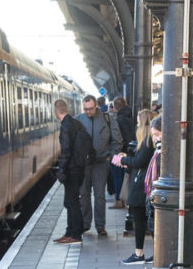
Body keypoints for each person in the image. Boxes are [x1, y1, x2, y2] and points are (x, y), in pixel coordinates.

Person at [113, 116, 160, 264]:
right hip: (143, 183)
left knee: (142, 219)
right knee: (147, 219)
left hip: (141, 184)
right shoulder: (149, 142)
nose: (136, 126)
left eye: (138, 122)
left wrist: (124, 160)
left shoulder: (147, 142)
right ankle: (154, 252)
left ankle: (140, 253)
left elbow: (139, 162)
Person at [77, 95, 122, 238]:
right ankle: (85, 223)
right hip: (84, 164)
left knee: (99, 195)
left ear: (96, 105)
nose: (88, 111)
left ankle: (100, 225)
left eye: (90, 109)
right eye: (85, 109)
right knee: (83, 194)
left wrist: (111, 156)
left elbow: (117, 140)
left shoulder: (107, 119)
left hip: (101, 163)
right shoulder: (78, 120)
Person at [53, 99, 90, 245]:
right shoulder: (75, 123)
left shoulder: (66, 126)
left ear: (56, 111)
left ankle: (76, 234)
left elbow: (66, 150)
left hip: (71, 170)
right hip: (79, 168)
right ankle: (70, 231)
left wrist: (61, 170)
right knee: (69, 201)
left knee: (72, 202)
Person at [110, 97, 133, 209]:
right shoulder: (132, 115)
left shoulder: (118, 119)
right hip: (130, 151)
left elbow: (118, 138)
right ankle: (125, 199)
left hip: (119, 151)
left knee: (117, 176)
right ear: (126, 103)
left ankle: (119, 201)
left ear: (115, 108)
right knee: (126, 175)